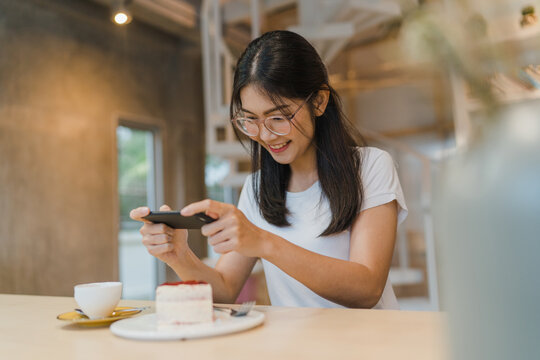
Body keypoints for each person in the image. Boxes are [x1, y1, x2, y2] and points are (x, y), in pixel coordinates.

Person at [130, 30, 407, 309]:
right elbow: (225, 289)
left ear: (319, 102)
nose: (265, 134)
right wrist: (179, 254)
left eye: (278, 116)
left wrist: (263, 241)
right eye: (250, 119)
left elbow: (367, 288)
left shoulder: (370, 167)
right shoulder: (256, 188)